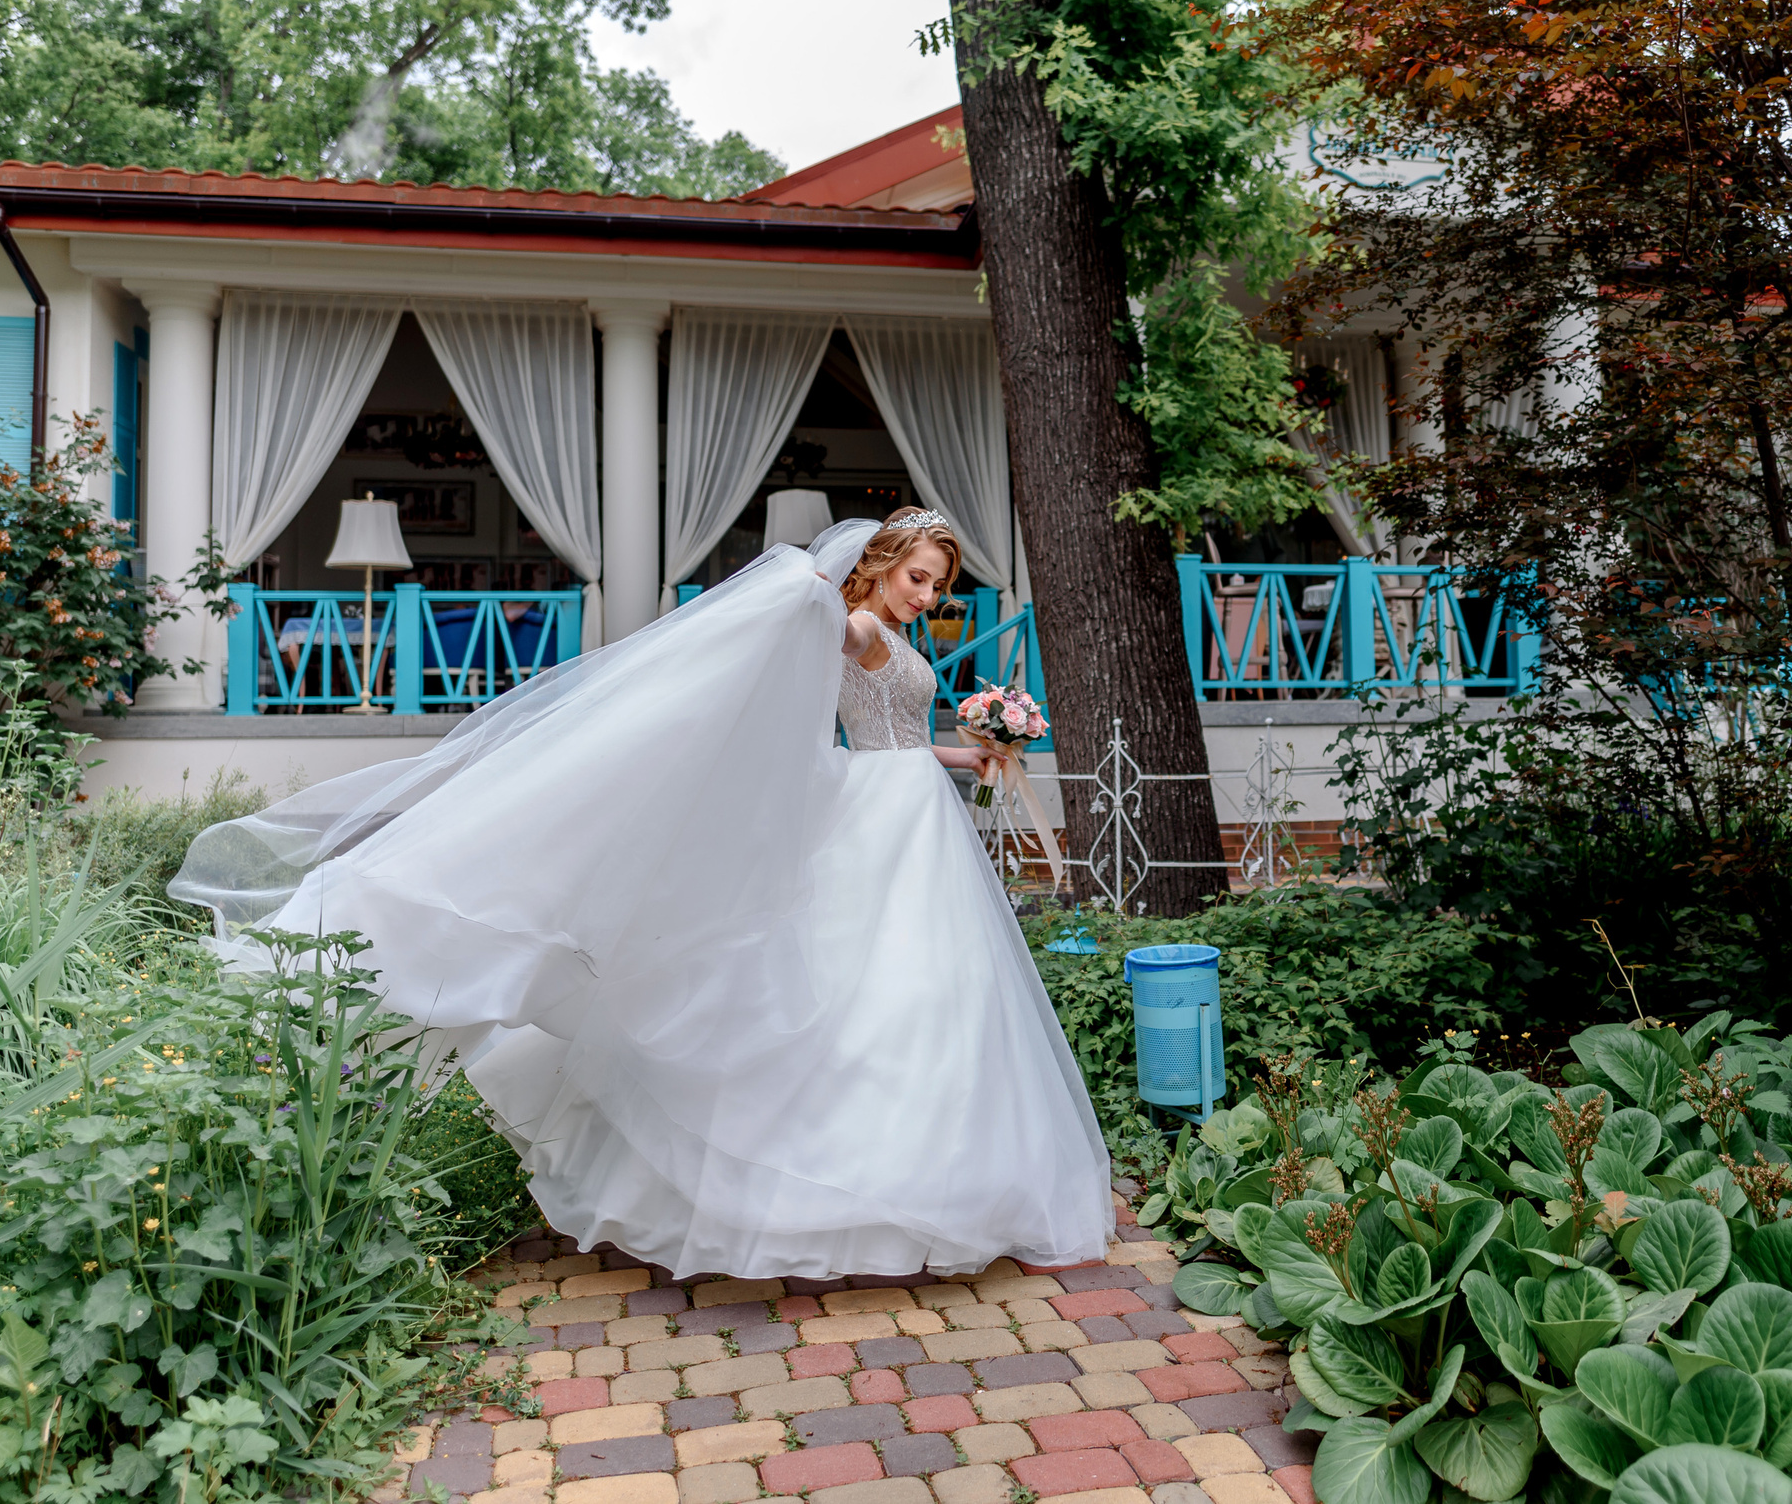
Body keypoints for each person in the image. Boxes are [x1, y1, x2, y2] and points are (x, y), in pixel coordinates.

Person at [171, 507, 1112, 1276]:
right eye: (919, 577)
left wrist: (975, 749)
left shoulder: (892, 638)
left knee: (926, 997)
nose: (931, 596)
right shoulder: (859, 623)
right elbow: (825, 636)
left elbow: (903, 737)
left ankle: (934, 1179)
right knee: (867, 990)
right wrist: (810, 593)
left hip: (912, 809)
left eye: (941, 584)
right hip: (880, 817)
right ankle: (853, 1194)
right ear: (877, 569)